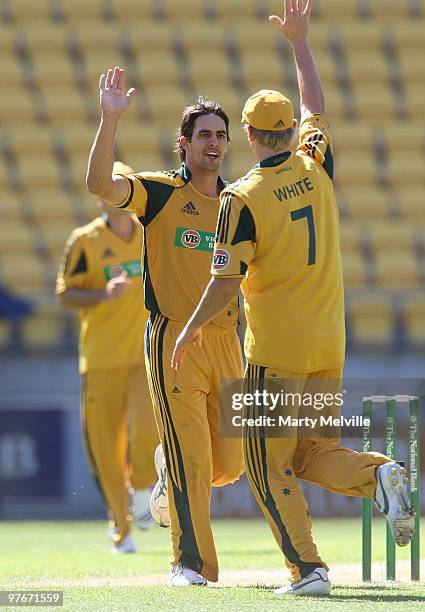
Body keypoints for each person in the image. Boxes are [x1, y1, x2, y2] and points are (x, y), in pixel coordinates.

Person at [172, 0, 416, 596]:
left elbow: (226, 280)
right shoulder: (317, 162)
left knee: (267, 465)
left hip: (276, 351)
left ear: (250, 136)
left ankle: (308, 571)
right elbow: (318, 107)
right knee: (312, 453)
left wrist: (188, 329)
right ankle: (379, 475)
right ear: (288, 132)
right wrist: (300, 44)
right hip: (329, 342)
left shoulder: (243, 197)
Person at [86, 68, 244, 586]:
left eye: (221, 134)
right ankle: (188, 563)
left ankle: (165, 467)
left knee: (233, 463)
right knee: (192, 463)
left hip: (228, 341)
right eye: (204, 135)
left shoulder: (238, 201)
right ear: (185, 144)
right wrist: (109, 119)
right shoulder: (159, 193)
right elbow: (99, 184)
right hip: (173, 338)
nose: (214, 143)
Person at [56, 161, 164, 554]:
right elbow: (65, 294)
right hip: (100, 359)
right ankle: (122, 529)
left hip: (143, 355)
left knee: (147, 436)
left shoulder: (150, 234)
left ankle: (141, 491)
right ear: (102, 195)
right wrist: (103, 293)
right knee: (105, 449)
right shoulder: (84, 241)